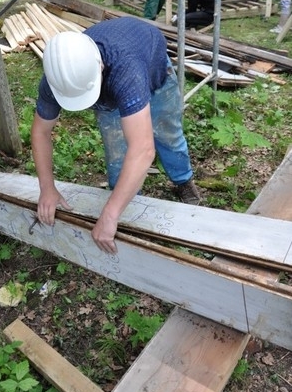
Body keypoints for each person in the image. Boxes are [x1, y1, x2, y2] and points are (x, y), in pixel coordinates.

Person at [31, 17, 200, 255]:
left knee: (167, 134)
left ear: (99, 67)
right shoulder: (57, 78)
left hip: (152, 71)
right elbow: (41, 131)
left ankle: (183, 181)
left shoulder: (126, 71)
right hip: (113, 86)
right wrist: (47, 188)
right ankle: (129, 210)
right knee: (118, 154)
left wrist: (108, 215)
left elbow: (143, 149)